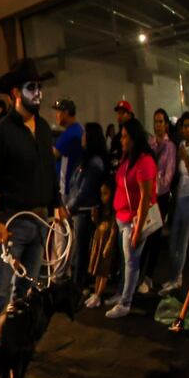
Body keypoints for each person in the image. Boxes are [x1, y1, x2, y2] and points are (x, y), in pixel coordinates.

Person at [0, 58, 64, 369]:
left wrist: (57, 203)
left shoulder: (44, 130)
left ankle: (14, 346)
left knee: (27, 291)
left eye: (39, 87)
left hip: (39, 223)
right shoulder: (1, 132)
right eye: (31, 87)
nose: (38, 93)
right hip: (11, 225)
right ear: (15, 93)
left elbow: (49, 173)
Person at [105, 118, 157, 318]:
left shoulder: (144, 162)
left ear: (134, 138)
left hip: (133, 220)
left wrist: (138, 229)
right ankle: (123, 295)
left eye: (125, 136)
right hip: (123, 218)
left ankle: (125, 303)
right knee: (126, 262)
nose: (122, 140)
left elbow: (146, 198)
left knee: (131, 263)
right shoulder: (128, 159)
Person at [66, 123, 107, 287]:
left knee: (81, 250)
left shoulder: (94, 162)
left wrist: (70, 206)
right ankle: (77, 282)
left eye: (84, 134)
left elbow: (85, 190)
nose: (82, 137)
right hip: (79, 209)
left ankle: (78, 284)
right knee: (78, 249)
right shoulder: (87, 159)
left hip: (84, 211)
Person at [140, 108, 176, 294]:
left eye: (161, 121)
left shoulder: (170, 147)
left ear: (166, 124)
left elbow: (168, 177)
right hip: (147, 196)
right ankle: (140, 275)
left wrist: (154, 182)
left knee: (154, 238)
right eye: (156, 121)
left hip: (160, 197)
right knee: (144, 236)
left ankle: (148, 276)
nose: (158, 125)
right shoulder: (150, 144)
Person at [161, 111, 189, 295]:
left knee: (182, 241)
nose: (186, 130)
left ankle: (177, 278)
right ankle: (174, 276)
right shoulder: (180, 145)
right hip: (179, 197)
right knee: (173, 239)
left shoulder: (186, 150)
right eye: (184, 126)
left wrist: (186, 158)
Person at [84, 181, 118, 309]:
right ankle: (96, 292)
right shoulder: (102, 208)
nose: (103, 197)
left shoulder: (113, 211)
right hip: (99, 239)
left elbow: (113, 229)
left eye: (105, 193)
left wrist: (109, 243)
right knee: (97, 268)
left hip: (106, 241)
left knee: (103, 270)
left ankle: (99, 294)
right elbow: (98, 224)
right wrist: (94, 217)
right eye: (101, 194)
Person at [52, 99, 82, 197]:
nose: (56, 115)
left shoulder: (71, 133)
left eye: (58, 112)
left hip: (66, 187)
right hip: (72, 185)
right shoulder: (77, 129)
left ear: (66, 113)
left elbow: (54, 153)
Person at [108, 100, 134, 177]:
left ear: (129, 115)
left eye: (122, 113)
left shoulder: (135, 135)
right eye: (118, 113)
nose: (119, 116)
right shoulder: (116, 139)